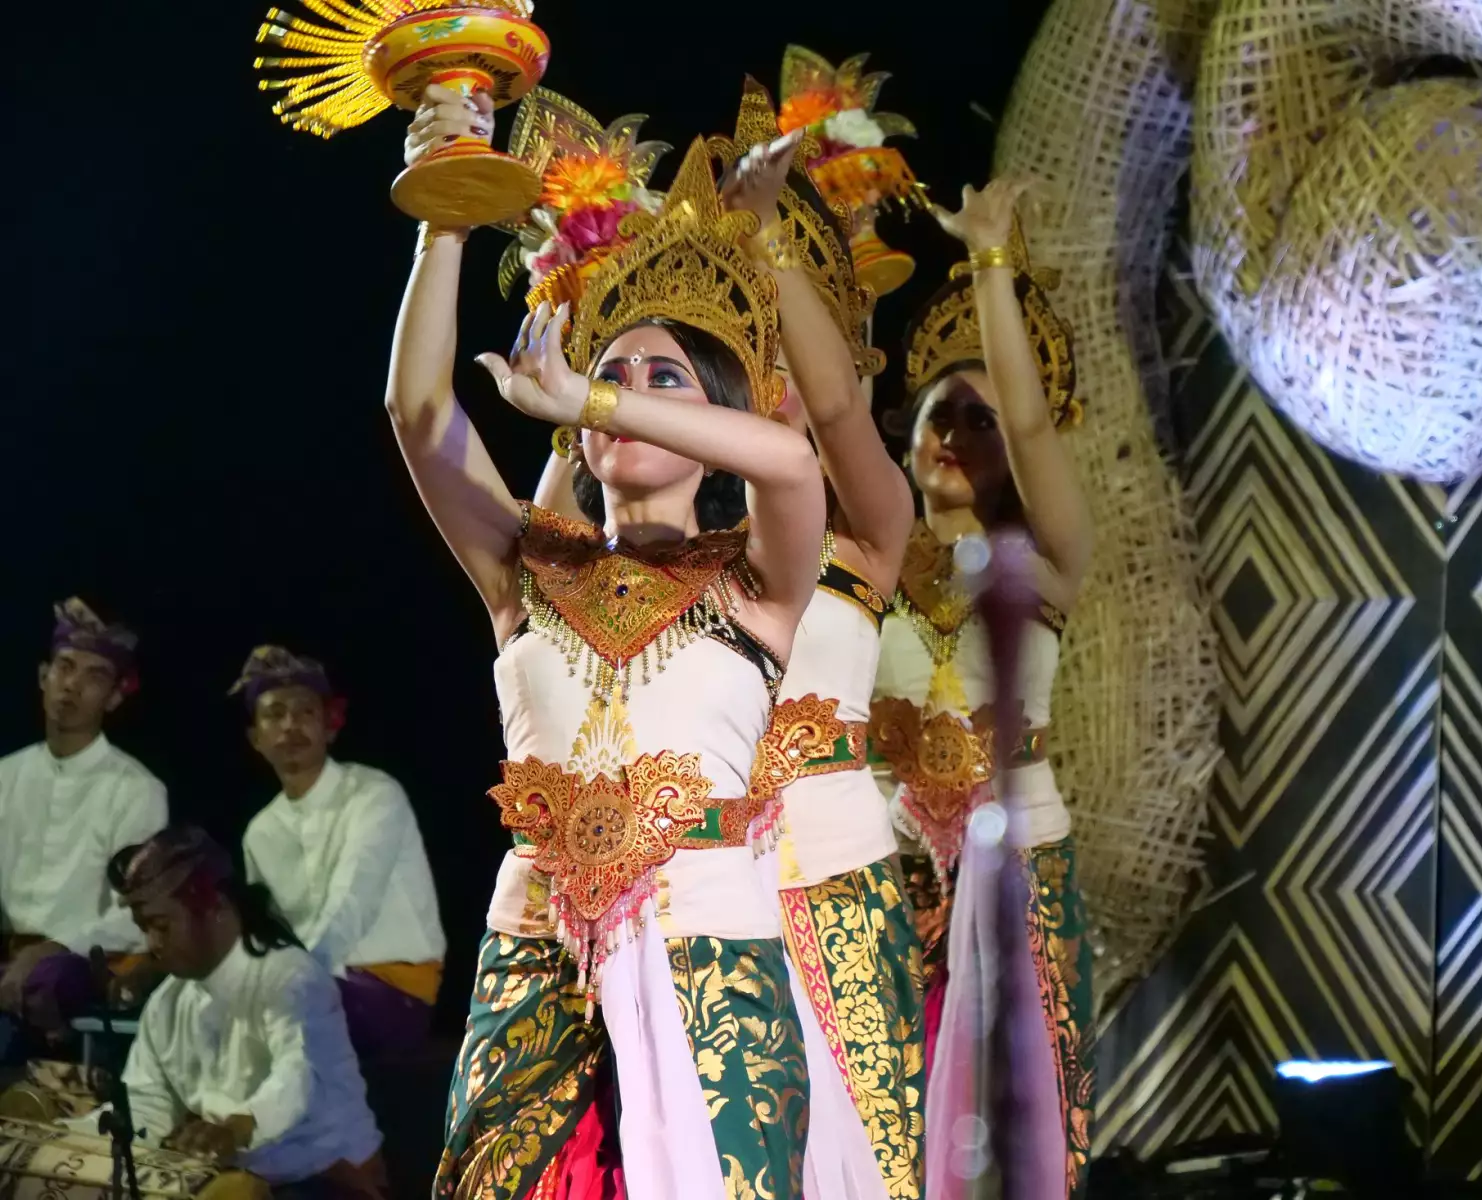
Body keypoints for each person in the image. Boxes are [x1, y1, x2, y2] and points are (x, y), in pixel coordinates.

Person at [387, 86, 825, 1199]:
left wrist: (592, 396)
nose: (625, 393)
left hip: (712, 952)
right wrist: (447, 214)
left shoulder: (753, 582)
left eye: (661, 379)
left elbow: (791, 464)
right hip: (535, 945)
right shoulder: (528, 568)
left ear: (710, 427)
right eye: (614, 373)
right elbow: (419, 416)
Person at [869, 184, 1094, 1197]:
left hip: (1024, 869)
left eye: (979, 419)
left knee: (1024, 1129)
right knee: (895, 1132)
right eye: (936, 416)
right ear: (905, 439)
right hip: (894, 875)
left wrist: (993, 260)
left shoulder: (1045, 564)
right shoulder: (863, 565)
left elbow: (1036, 428)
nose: (954, 434)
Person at [722, 88, 925, 1200]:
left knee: (873, 1165)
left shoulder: (871, 534)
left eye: (794, 360)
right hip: (712, 889)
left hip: (840, 877)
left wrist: (762, 233)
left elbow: (839, 416)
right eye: (753, 360)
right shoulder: (689, 554)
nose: (782, 383)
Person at [68, 826, 385, 1197]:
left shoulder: (292, 978)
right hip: (240, 1176)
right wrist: (68, 1135)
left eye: (161, 926)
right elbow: (147, 1103)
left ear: (216, 909)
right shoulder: (167, 1002)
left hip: (328, 1176)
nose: (151, 943)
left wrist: (239, 1127)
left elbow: (298, 1076)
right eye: (145, 929)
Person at [230, 646, 446, 1060]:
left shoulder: (374, 794)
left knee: (280, 1021)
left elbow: (352, 900)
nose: (291, 725)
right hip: (315, 988)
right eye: (275, 714)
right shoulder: (260, 832)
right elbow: (269, 933)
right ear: (255, 738)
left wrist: (295, 984)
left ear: (329, 727)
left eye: (305, 712)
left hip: (392, 989)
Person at [0, 598, 166, 1050]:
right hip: (10, 956)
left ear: (114, 697)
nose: (72, 685)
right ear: (43, 677)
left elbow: (137, 913)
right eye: (65, 667)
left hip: (81, 964)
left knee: (46, 980)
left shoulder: (136, 789)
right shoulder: (7, 776)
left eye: (94, 676)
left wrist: (56, 945)